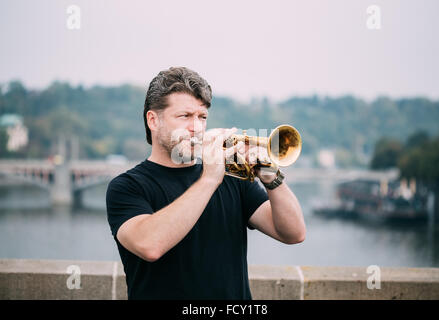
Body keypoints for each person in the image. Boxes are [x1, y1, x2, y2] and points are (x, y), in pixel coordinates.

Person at [106, 66, 306, 300]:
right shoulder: (127, 187)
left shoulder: (232, 177)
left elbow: (294, 233)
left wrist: (271, 176)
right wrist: (210, 178)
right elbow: (150, 245)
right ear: (153, 120)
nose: (197, 127)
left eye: (202, 117)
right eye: (185, 116)